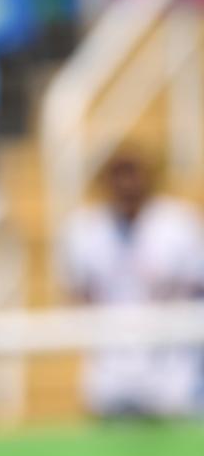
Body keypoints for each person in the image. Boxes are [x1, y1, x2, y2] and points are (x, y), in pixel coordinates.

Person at [60, 148, 204, 419]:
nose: (126, 184)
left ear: (149, 178)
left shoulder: (179, 225)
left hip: (173, 369)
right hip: (112, 370)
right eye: (118, 175)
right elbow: (78, 295)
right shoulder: (84, 231)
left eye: (132, 174)